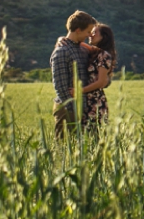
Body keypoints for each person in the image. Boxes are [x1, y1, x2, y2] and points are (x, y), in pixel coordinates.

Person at [50, 10, 96, 140]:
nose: (89, 35)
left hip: (84, 109)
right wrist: (74, 109)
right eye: (88, 31)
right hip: (67, 110)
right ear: (78, 30)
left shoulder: (83, 50)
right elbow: (60, 86)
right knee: (65, 151)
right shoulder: (61, 52)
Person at [77, 24, 117, 134]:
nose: (91, 35)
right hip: (89, 100)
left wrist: (79, 91)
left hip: (96, 102)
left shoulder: (104, 55)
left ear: (103, 37)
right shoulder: (96, 52)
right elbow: (83, 44)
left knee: (93, 137)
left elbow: (100, 82)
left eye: (94, 33)